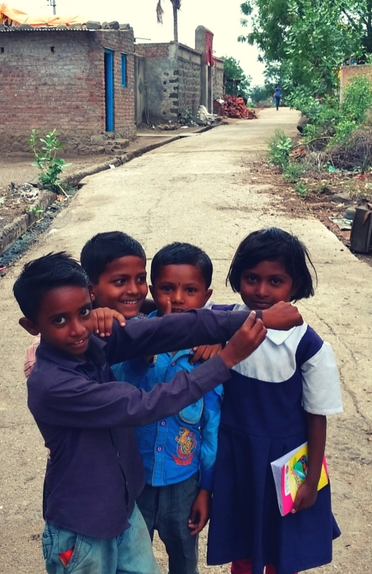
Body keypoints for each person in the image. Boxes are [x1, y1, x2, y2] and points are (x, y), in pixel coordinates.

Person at [16, 251, 304, 573]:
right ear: (31, 326)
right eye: (59, 320)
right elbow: (142, 404)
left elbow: (166, 330)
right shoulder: (53, 385)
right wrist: (226, 360)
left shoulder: (90, 345)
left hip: (123, 509)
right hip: (82, 526)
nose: (78, 328)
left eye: (84, 312)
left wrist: (256, 318)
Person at [206, 228, 342, 574]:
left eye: (275, 281)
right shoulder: (224, 324)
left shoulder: (309, 347)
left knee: (283, 550)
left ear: (294, 285)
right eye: (252, 278)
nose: (262, 290)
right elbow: (179, 314)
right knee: (243, 543)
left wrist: (311, 480)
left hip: (283, 464)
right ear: (237, 278)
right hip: (237, 458)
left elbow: (317, 416)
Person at [115, 242, 223, 574]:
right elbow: (119, 386)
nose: (176, 298)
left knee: (185, 561)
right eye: (166, 288)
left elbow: (212, 429)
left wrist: (206, 490)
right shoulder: (134, 337)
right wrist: (143, 350)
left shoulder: (209, 352)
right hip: (136, 483)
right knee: (131, 562)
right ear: (152, 289)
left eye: (189, 290)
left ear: (206, 296)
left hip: (184, 484)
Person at [23, 231, 149, 378]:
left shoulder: (145, 316)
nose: (134, 290)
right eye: (120, 281)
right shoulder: (63, 341)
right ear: (90, 288)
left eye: (141, 279)